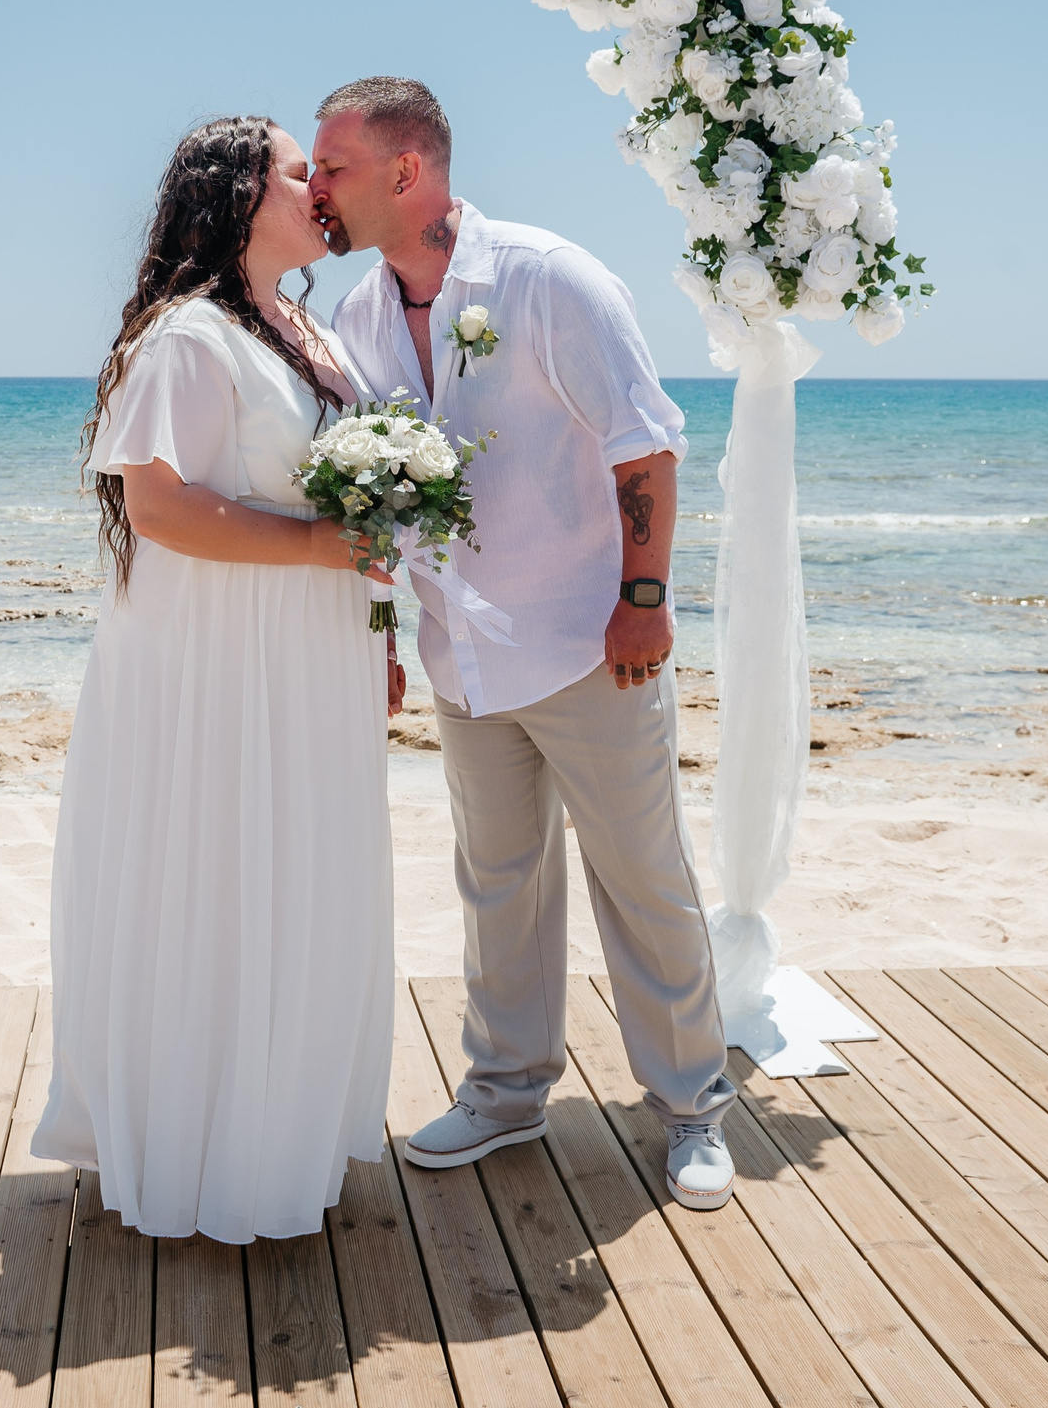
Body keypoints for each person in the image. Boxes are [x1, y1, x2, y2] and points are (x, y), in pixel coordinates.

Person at [314, 76, 738, 1210]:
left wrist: (642, 598)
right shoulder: (359, 313)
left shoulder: (550, 278)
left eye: (335, 166)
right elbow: (383, 490)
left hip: (590, 642)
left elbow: (645, 446)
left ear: (408, 171)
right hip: (464, 648)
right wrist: (386, 632)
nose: (317, 188)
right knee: (496, 877)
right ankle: (506, 1091)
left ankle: (691, 1103)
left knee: (643, 876)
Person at [32, 115, 396, 1242]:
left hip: (312, 653)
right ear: (242, 196)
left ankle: (280, 1125)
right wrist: (325, 554)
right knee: (221, 868)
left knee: (300, 870)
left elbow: (349, 501)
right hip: (219, 667)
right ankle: (205, 1147)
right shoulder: (190, 336)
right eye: (303, 171)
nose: (322, 187)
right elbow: (163, 506)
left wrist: (374, 626)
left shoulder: (307, 326)